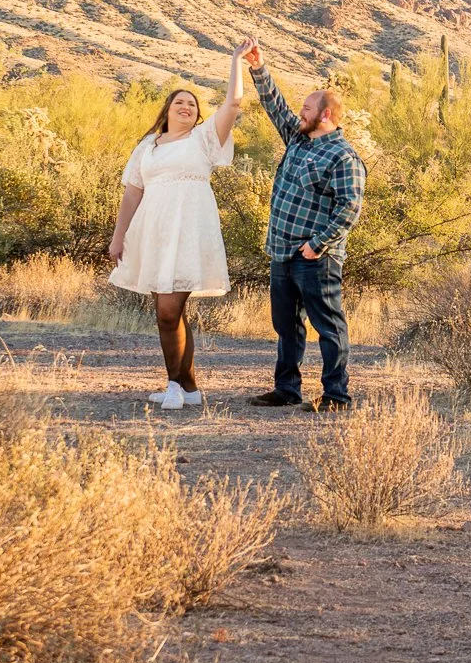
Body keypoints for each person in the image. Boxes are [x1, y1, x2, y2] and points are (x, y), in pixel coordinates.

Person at [108, 39, 254, 411]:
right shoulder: (148, 146)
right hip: (153, 232)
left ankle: (175, 385)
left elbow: (233, 103)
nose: (186, 106)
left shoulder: (205, 139)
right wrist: (118, 236)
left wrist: (236, 60)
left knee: (168, 311)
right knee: (169, 312)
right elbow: (132, 193)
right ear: (167, 110)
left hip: (189, 231)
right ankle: (187, 388)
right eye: (179, 102)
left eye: (192, 103)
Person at [241, 40, 366, 411]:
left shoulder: (343, 156)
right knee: (287, 327)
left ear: (325, 115)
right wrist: (259, 67)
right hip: (281, 251)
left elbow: (350, 207)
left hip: (315, 257)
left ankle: (336, 396)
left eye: (307, 108)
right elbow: (274, 106)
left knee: (328, 327)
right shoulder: (298, 139)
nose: (300, 111)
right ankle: (287, 390)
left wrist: (318, 244)